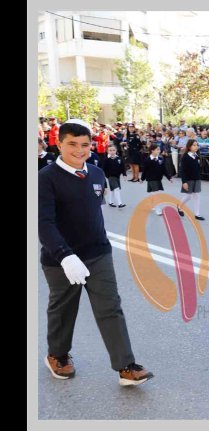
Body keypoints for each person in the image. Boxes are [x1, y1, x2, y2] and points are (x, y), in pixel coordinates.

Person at [38, 119, 153, 385]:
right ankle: (58, 355)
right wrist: (65, 256)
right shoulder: (44, 179)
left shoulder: (96, 173)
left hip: (98, 253)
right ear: (59, 144)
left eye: (85, 145)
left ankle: (125, 366)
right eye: (72, 144)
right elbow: (43, 223)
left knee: (110, 307)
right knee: (63, 309)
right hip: (61, 259)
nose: (79, 150)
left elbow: (93, 214)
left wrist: (100, 241)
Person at [141, 143, 173, 215]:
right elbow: (145, 170)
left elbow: (164, 170)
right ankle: (158, 210)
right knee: (156, 194)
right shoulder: (148, 160)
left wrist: (169, 177)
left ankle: (153, 205)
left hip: (158, 179)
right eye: (157, 149)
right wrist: (142, 179)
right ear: (152, 150)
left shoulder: (160, 159)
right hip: (151, 179)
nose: (159, 151)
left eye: (159, 149)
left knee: (153, 193)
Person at [177, 139, 204, 221]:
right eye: (194, 145)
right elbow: (182, 170)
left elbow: (199, 167)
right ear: (189, 146)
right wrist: (184, 182)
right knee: (188, 196)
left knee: (196, 195)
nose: (196, 147)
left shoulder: (197, 156)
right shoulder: (185, 157)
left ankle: (197, 214)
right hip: (188, 179)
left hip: (197, 178)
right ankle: (179, 206)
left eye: (197, 145)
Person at [102, 144, 127, 209]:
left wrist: (124, 174)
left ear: (116, 150)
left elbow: (122, 167)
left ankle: (110, 202)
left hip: (117, 176)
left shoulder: (119, 159)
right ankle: (119, 203)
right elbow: (103, 169)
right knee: (116, 189)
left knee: (112, 189)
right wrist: (104, 176)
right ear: (107, 151)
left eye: (113, 150)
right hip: (110, 176)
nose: (112, 152)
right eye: (110, 150)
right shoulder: (106, 159)